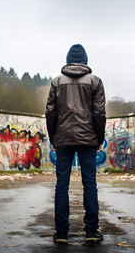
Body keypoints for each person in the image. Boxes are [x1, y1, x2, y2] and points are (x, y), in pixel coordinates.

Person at [46, 44, 106, 243]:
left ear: (68, 60)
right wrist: (99, 138)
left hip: (62, 139)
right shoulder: (95, 82)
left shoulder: (56, 82)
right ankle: (91, 232)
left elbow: (51, 113)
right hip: (88, 139)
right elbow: (99, 113)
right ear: (85, 61)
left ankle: (61, 232)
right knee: (89, 184)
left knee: (61, 185)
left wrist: (53, 137)